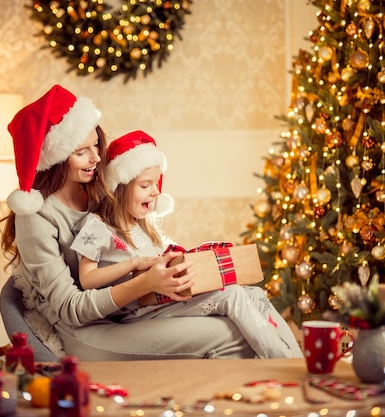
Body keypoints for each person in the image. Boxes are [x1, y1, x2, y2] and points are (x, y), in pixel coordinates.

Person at [0, 84, 258, 360]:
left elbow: (137, 243)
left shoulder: (100, 190)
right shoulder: (37, 218)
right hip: (86, 332)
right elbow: (71, 309)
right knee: (229, 336)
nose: (97, 157)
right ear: (57, 157)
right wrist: (146, 283)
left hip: (131, 313)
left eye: (95, 143)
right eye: (81, 151)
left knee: (243, 312)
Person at [70, 130, 303, 359]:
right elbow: (87, 279)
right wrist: (134, 263)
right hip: (138, 310)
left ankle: (294, 358)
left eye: (156, 184)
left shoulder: (142, 225)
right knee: (232, 296)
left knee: (255, 294)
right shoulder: (98, 226)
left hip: (163, 298)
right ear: (120, 188)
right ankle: (282, 361)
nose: (155, 192)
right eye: (145, 186)